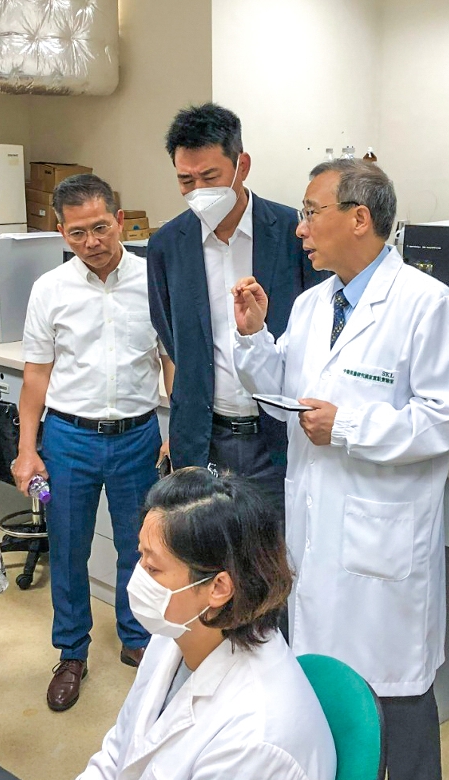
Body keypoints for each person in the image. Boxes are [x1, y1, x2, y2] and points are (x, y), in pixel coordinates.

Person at [233, 158, 449, 780]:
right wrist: (254, 337)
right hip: (318, 528)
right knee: (328, 687)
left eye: (312, 213)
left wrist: (350, 427)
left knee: (396, 691)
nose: (300, 228)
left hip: (382, 534)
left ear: (359, 218)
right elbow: (282, 395)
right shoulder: (314, 304)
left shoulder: (426, 304)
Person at [48, 467, 336, 780]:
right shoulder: (178, 634)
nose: (137, 578)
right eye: (140, 557)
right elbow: (116, 761)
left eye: (153, 568)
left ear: (218, 587)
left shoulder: (256, 742)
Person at [12, 174, 159, 711]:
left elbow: (169, 359)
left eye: (100, 227)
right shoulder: (50, 289)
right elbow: (36, 376)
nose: (91, 241)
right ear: (61, 232)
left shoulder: (153, 279)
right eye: (77, 233)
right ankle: (72, 652)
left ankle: (136, 638)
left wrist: (177, 433)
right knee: (69, 548)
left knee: (140, 548)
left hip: (138, 436)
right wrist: (28, 450)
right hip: (69, 439)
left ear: (119, 220)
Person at [148, 103, 321, 507]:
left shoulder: (293, 234)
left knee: (279, 543)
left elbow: (315, 329)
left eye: (210, 177)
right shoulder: (167, 245)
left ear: (242, 165)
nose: (198, 191)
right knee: (206, 544)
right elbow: (170, 333)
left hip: (279, 437)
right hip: (204, 439)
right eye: (186, 180)